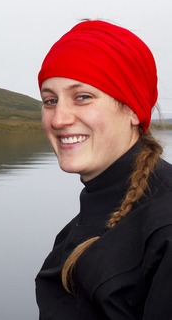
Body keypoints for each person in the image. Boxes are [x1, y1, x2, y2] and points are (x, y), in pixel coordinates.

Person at [35, 19, 172, 319]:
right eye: (50, 100)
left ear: (134, 110)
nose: (59, 119)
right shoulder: (91, 214)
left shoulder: (165, 227)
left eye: (82, 97)